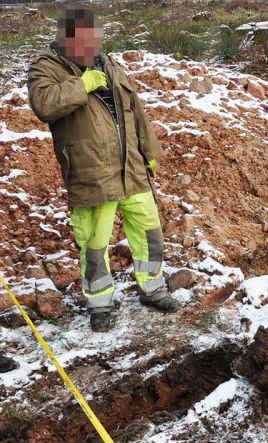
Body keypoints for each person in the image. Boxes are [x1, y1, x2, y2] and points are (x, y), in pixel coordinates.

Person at [27, 6, 178, 332]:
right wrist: (81, 85)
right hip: (91, 172)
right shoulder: (46, 67)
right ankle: (100, 304)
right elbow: (44, 104)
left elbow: (134, 107)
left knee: (149, 231)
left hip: (131, 168)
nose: (92, 45)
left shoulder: (107, 62)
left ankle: (151, 289)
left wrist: (148, 151)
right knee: (95, 243)